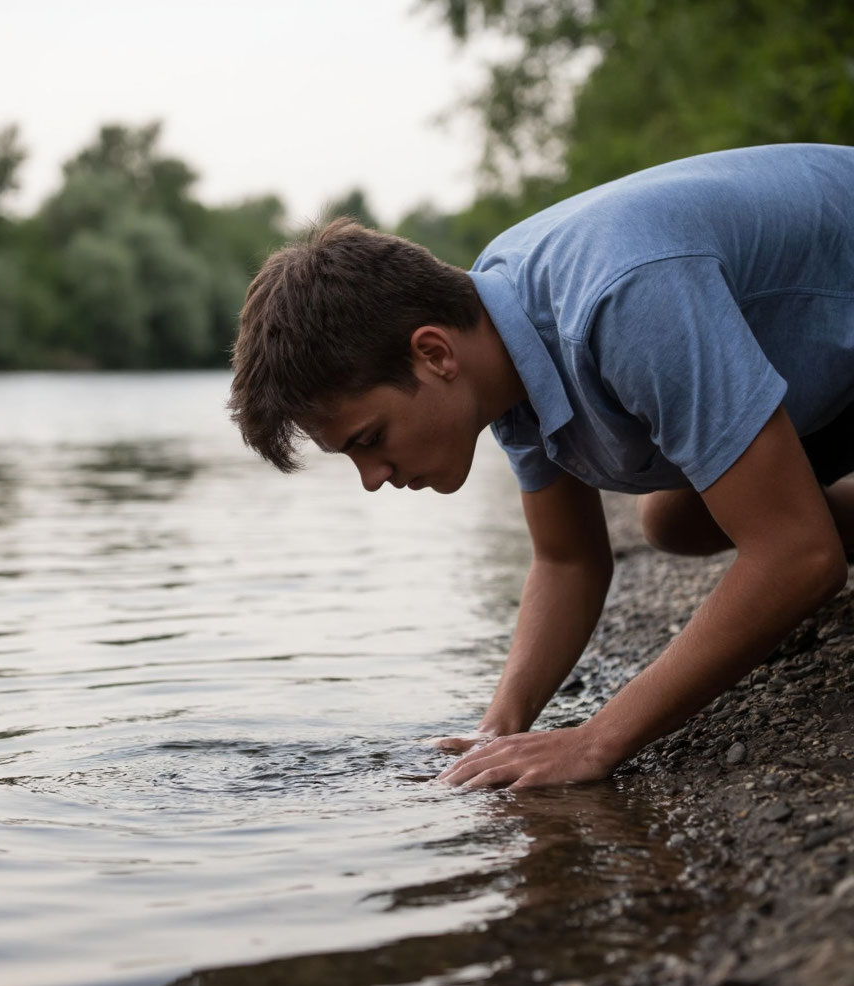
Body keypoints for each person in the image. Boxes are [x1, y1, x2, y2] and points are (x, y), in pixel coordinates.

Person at [228, 143, 854, 789]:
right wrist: (499, 727)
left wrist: (595, 740)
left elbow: (799, 557)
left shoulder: (623, 299)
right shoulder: (500, 331)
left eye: (369, 438)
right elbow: (568, 559)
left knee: (779, 542)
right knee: (676, 519)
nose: (372, 477)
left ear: (435, 353)